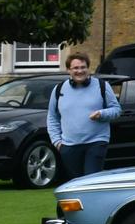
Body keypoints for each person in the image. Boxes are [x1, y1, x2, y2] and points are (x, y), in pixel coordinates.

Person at [45, 51, 121, 179]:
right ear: (68, 70)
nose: (80, 71)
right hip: (68, 146)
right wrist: (57, 141)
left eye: (83, 67)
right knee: (75, 183)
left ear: (88, 68)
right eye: (75, 68)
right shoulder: (59, 89)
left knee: (90, 181)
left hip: (96, 142)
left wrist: (102, 114)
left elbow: (116, 109)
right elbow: (52, 117)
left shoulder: (102, 86)